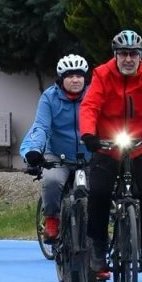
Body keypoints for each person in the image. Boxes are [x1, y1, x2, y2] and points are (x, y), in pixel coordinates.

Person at [79, 30, 142, 275]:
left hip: (139, 146)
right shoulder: (102, 74)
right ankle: (98, 249)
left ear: (140, 56)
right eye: (123, 54)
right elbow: (90, 105)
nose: (128, 59)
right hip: (107, 146)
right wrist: (89, 135)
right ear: (116, 55)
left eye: (134, 54)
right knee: (99, 193)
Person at [19, 54, 92, 244]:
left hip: (90, 155)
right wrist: (34, 150)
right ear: (61, 79)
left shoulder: (94, 94)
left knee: (101, 188)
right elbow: (41, 126)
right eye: (70, 76)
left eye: (79, 75)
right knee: (51, 181)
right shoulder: (49, 97)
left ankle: (99, 226)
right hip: (58, 155)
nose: (75, 80)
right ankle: (52, 218)